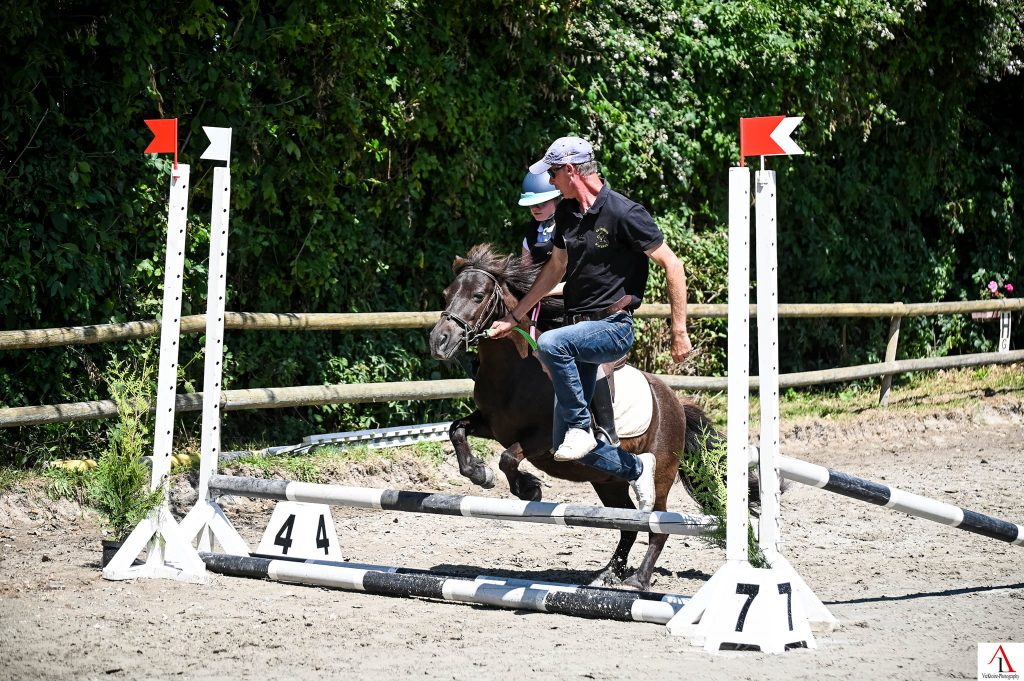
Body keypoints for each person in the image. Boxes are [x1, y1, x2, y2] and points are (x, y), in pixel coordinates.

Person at [489, 136, 692, 511]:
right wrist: (514, 317)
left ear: (570, 170)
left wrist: (678, 330)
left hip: (613, 327)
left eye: (553, 173)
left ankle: (582, 427)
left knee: (551, 344)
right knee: (562, 447)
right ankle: (636, 467)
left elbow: (673, 265)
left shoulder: (625, 212)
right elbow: (555, 269)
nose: (550, 181)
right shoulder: (567, 214)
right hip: (577, 331)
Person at [517, 170, 618, 446]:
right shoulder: (530, 235)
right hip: (541, 308)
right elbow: (525, 276)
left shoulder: (572, 227)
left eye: (541, 203)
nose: (535, 208)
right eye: (531, 205)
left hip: (574, 303)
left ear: (556, 200)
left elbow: (575, 276)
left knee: (589, 359)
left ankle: (607, 427)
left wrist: (543, 291)